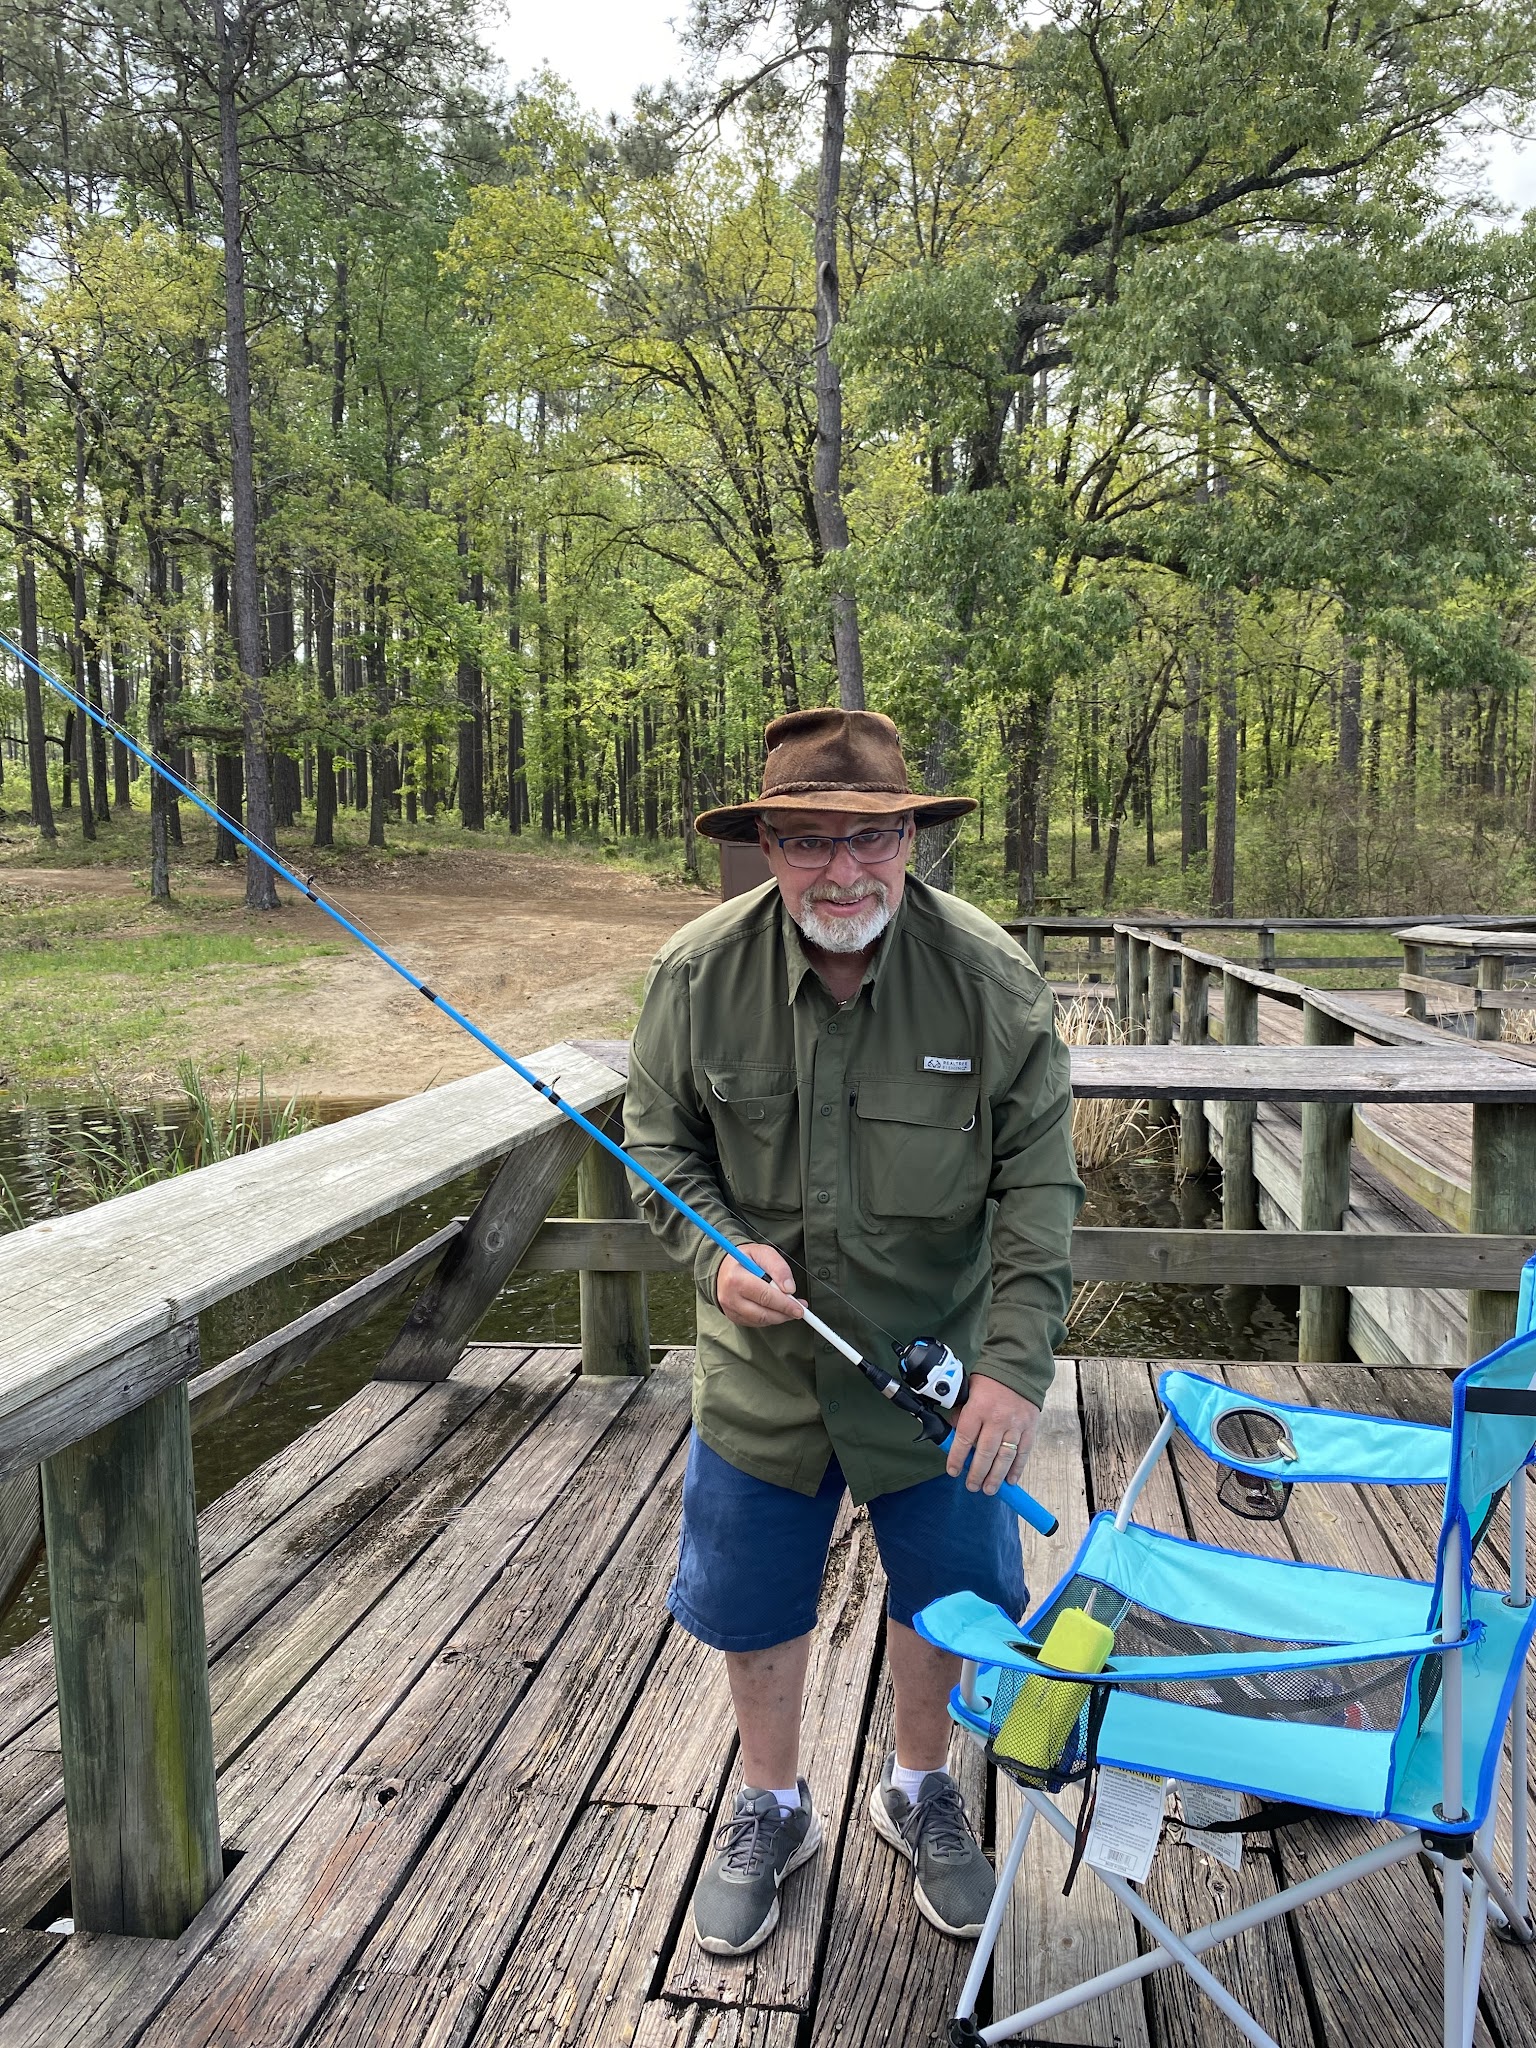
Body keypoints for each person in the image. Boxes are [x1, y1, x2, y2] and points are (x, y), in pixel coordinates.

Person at [624, 707, 1081, 1959]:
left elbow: (1041, 1190)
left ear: (912, 841)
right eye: (807, 838)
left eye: (870, 839)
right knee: (754, 1599)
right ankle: (772, 1802)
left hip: (941, 1370)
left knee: (947, 1596)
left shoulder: (993, 983)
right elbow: (656, 1150)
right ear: (764, 845)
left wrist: (1012, 1369)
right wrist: (715, 1248)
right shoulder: (694, 976)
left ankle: (919, 1787)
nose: (842, 868)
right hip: (763, 1374)